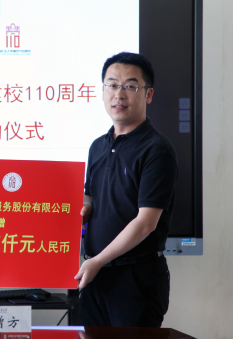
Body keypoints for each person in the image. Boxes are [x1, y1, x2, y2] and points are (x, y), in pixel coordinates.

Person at [74, 52, 178, 327]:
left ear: (148, 94)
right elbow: (90, 197)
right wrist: (82, 209)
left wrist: (97, 261)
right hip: (95, 275)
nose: (119, 94)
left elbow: (146, 223)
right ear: (103, 91)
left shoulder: (156, 149)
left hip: (135, 278)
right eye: (112, 85)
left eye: (130, 86)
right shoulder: (98, 146)